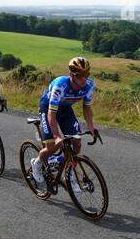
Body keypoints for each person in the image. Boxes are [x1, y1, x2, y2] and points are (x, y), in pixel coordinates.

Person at [29, 56, 99, 187]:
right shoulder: (60, 85)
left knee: (77, 143)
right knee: (53, 146)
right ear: (71, 74)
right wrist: (56, 136)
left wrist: (91, 128)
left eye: (86, 74)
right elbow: (51, 113)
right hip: (48, 108)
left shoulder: (89, 85)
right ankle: (37, 163)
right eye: (79, 75)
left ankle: (68, 170)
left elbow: (87, 107)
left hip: (66, 110)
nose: (84, 79)